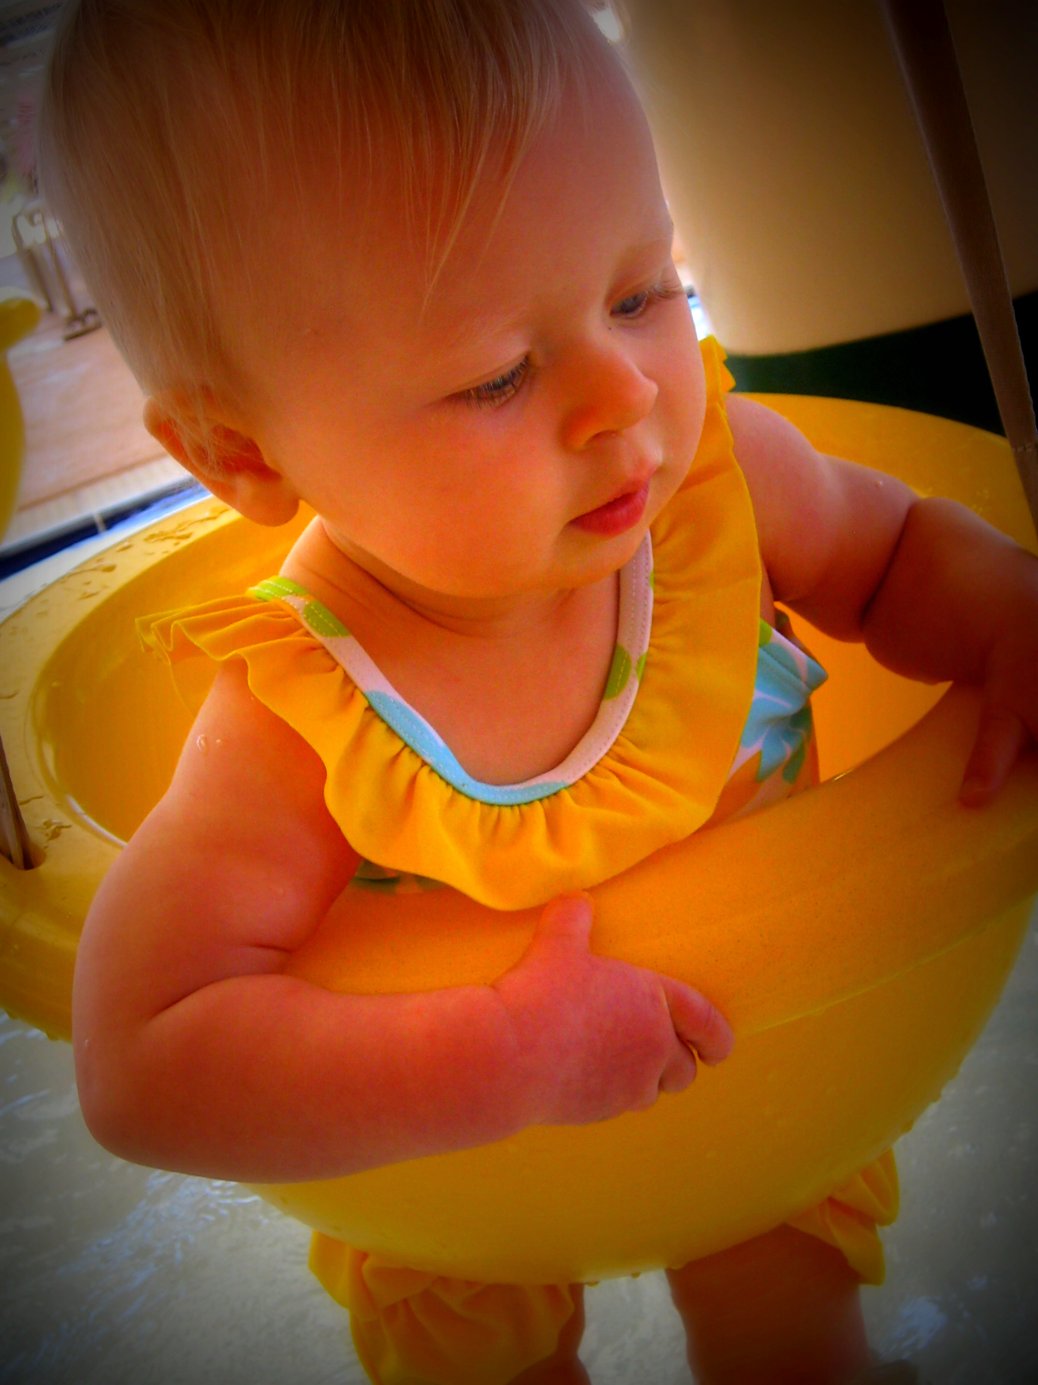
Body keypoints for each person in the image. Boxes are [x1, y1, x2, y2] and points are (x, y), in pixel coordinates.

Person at [38, 2, 1037, 1382]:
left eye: (643, 290)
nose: (624, 394)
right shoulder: (308, 716)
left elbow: (906, 556)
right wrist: (501, 1058)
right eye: (498, 375)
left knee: (795, 1344)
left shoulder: (716, 491)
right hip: (474, 1188)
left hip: (767, 1093)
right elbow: (142, 1060)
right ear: (241, 453)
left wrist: (1008, 616)